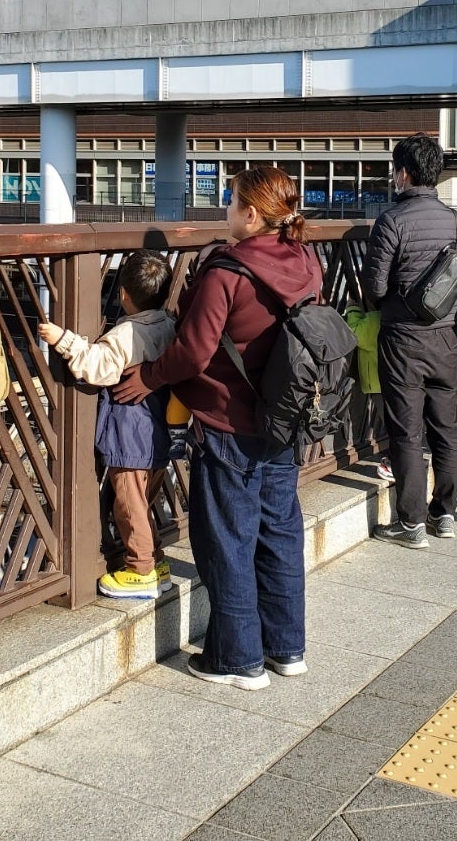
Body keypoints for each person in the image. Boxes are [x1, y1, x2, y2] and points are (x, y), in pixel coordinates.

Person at [114, 167, 320, 691]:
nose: (225, 209)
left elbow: (193, 351)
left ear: (250, 214)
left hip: (228, 420)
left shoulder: (226, 271)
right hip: (284, 416)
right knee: (279, 533)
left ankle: (237, 658)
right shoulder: (305, 260)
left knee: (228, 540)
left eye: (230, 201)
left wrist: (149, 377)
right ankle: (286, 647)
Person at [40, 250, 177, 601]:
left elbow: (97, 366)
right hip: (160, 431)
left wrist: (64, 340)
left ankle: (141, 570)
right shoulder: (169, 324)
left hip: (130, 433)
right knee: (145, 502)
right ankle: (155, 561)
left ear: (124, 294)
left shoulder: (125, 333)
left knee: (128, 506)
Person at [365, 133, 457, 549]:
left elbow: (375, 288)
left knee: (407, 432)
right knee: (446, 427)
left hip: (402, 340)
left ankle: (410, 523)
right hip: (446, 337)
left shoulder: (391, 222)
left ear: (403, 173)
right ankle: (445, 514)